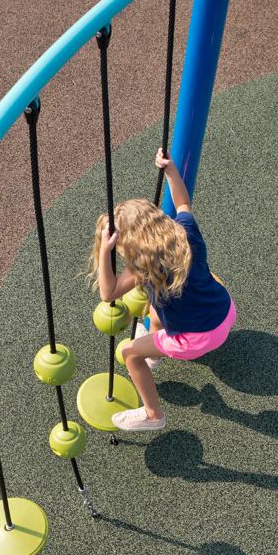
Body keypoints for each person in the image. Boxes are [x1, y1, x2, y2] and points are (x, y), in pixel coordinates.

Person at [89, 148, 237, 431]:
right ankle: (156, 352)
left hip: (198, 339)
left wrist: (103, 254)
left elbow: (107, 294)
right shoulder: (185, 231)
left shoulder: (144, 269)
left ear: (131, 246)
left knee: (130, 354)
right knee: (157, 300)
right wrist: (170, 170)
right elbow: (182, 203)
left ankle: (153, 415)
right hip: (225, 311)